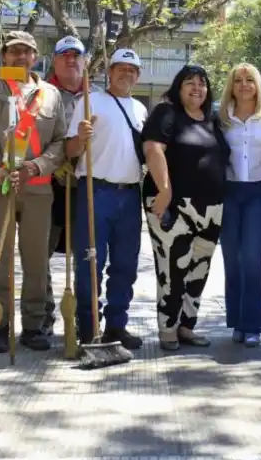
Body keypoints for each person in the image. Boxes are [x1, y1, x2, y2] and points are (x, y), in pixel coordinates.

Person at [0, 0, 68, 353]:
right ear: (4, 56)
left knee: (36, 260)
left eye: (26, 52)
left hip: (37, 186)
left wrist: (38, 166)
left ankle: (35, 326)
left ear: (35, 57)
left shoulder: (50, 94)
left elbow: (59, 142)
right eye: (13, 51)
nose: (20, 57)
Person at [142, 65, 230, 351]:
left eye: (202, 83)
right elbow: (153, 149)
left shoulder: (212, 119)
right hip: (172, 205)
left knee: (199, 269)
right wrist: (165, 189)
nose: (197, 88)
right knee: (173, 268)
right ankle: (168, 328)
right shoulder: (166, 113)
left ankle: (186, 326)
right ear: (178, 88)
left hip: (211, 208)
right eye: (189, 82)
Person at [65, 48, 147, 349]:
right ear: (110, 72)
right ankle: (89, 328)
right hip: (95, 191)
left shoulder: (140, 109)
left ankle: (116, 326)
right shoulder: (89, 101)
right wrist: (80, 137)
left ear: (138, 76)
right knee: (90, 262)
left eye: (132, 69)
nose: (126, 73)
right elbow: (70, 151)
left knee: (125, 264)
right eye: (120, 68)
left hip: (130, 194)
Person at [217, 63, 261, 347]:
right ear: (231, 86)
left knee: (252, 258)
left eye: (250, 80)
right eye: (238, 80)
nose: (244, 85)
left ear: (258, 84)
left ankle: (253, 324)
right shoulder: (220, 114)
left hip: (259, 193)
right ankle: (237, 321)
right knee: (232, 259)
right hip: (228, 193)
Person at [43, 35, 89, 336]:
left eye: (76, 56)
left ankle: (84, 319)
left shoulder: (97, 97)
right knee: (40, 254)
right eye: (64, 56)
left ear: (84, 61)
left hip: (84, 187)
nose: (71, 61)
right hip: (47, 185)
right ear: (55, 61)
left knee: (86, 254)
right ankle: (43, 317)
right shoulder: (40, 94)